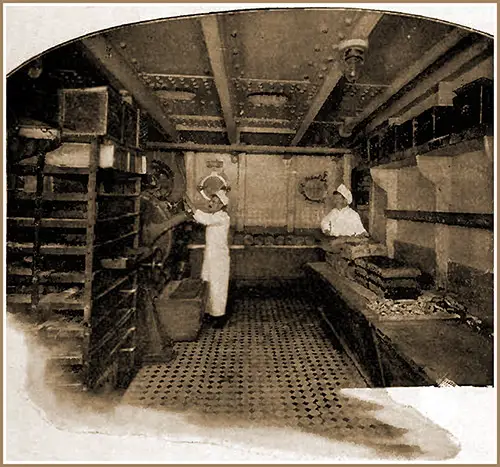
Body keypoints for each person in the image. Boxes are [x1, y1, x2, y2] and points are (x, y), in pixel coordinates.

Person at [184, 190, 231, 328]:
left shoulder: (222, 217)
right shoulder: (214, 215)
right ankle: (210, 314)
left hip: (219, 259)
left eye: (215, 202)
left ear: (221, 205)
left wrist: (187, 200)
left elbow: (203, 219)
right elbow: (201, 218)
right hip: (211, 257)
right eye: (211, 200)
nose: (211, 203)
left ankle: (219, 318)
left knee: (218, 288)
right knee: (207, 284)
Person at [320, 184, 368, 250]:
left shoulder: (353, 214)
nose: (335, 201)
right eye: (334, 199)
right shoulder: (333, 212)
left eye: (338, 199)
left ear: (345, 201)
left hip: (348, 242)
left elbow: (361, 231)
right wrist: (326, 229)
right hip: (334, 240)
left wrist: (362, 233)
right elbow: (324, 222)